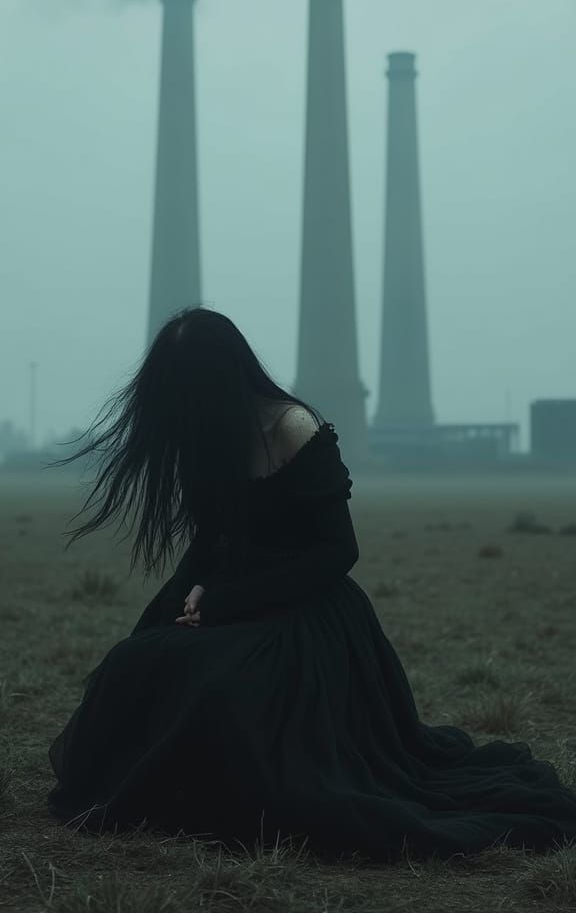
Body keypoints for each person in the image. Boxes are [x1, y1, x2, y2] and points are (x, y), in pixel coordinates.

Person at [46, 306, 576, 862]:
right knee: (134, 663)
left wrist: (226, 602)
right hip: (229, 600)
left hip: (304, 612)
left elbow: (338, 551)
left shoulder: (291, 427)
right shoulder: (210, 431)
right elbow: (212, 535)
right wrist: (190, 591)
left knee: (222, 686)